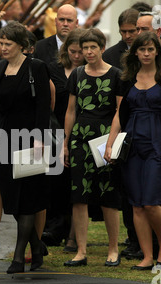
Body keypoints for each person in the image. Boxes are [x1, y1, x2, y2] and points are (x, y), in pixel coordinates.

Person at [105, 31, 161, 270]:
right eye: (142, 49)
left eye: (150, 49)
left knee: (150, 201)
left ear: (157, 51)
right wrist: (110, 143)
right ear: (134, 52)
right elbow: (120, 113)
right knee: (136, 202)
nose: (146, 54)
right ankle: (147, 255)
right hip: (132, 144)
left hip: (158, 143)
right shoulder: (126, 78)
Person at [0, 21, 51, 273]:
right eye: (1, 43)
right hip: (5, 138)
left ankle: (18, 257)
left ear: (22, 46)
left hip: (29, 139)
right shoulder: (1, 66)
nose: (3, 47)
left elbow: (43, 105)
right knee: (11, 198)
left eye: (8, 44)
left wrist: (39, 138)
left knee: (26, 198)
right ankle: (36, 247)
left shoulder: (36, 67)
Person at [63, 28, 122, 267]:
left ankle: (113, 249)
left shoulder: (116, 74)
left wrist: (111, 142)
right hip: (80, 137)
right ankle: (81, 251)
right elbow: (70, 110)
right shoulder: (77, 74)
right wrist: (65, 143)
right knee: (79, 196)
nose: (88, 52)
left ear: (102, 48)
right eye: (84, 48)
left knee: (109, 194)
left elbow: (120, 111)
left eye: (92, 47)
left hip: (106, 137)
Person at [47, 28, 87, 252]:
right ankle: (56, 228)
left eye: (80, 52)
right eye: (72, 51)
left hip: (81, 131)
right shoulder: (53, 69)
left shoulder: (88, 72)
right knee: (57, 184)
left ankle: (73, 236)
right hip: (55, 131)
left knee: (77, 186)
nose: (77, 56)